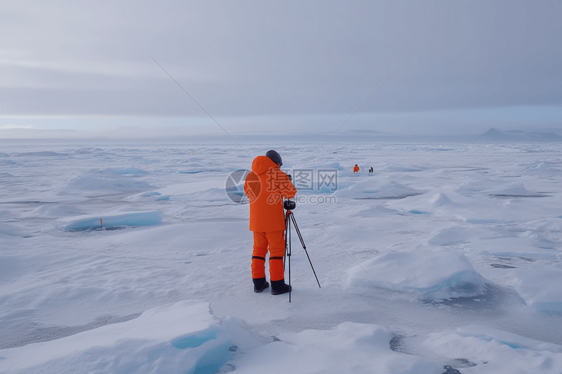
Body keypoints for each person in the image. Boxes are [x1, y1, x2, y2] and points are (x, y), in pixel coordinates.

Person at [244, 150, 297, 295]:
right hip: (273, 223)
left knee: (259, 251)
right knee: (276, 252)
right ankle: (277, 285)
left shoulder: (250, 176)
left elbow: (248, 193)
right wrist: (287, 180)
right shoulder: (278, 175)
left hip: (256, 223)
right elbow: (290, 193)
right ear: (277, 163)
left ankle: (258, 283)